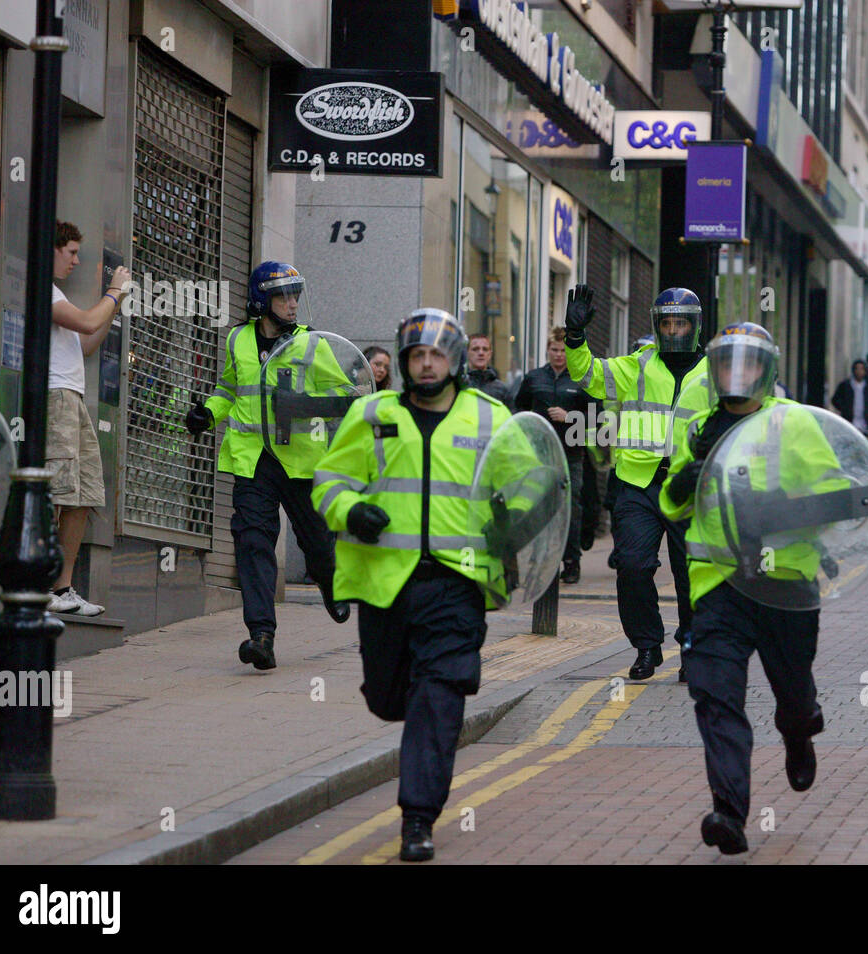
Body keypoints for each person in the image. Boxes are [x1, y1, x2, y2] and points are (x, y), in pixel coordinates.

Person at [312, 308, 525, 863]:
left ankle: (418, 817)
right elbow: (328, 481)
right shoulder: (371, 414)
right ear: (405, 363)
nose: (426, 364)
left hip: (456, 589)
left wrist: (511, 524)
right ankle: (413, 737)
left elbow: (530, 485)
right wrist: (352, 510)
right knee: (388, 698)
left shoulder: (490, 417)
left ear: (452, 360)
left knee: (438, 697)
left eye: (435, 355)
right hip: (385, 586)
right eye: (416, 356)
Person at [660, 322, 834, 855]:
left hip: (785, 584)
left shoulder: (795, 424)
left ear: (767, 370)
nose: (738, 374)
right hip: (719, 587)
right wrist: (685, 482)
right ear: (715, 371)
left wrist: (789, 505)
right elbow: (672, 501)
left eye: (749, 363)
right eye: (728, 364)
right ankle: (729, 811)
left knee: (794, 691)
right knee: (715, 695)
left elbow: (835, 491)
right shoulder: (703, 429)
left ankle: (799, 729)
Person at [186, 261, 351, 671]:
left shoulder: (313, 345)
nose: (292, 304)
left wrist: (302, 407)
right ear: (263, 301)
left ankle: (331, 582)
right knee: (253, 542)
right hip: (253, 460)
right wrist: (208, 413)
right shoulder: (237, 339)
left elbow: (345, 396)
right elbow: (229, 388)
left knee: (317, 542)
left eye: (295, 295)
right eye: (283, 296)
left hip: (301, 461)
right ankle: (261, 635)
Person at [566, 285, 710, 681]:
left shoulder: (714, 373)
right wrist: (575, 338)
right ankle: (647, 646)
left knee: (692, 574)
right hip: (638, 483)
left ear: (694, 326)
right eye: (666, 323)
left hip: (691, 489)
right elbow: (588, 375)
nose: (673, 330)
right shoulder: (639, 365)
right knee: (631, 566)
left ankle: (692, 648)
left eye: (681, 323)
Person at [47, 222, 132, 616]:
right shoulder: (42, 290)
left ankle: (62, 587)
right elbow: (83, 322)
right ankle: (39, 583)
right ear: (52, 249)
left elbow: (84, 341)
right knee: (56, 489)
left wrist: (111, 310)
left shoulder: (59, 294)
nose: (76, 261)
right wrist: (113, 293)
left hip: (73, 397)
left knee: (82, 494)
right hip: (55, 398)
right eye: (71, 253)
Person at [516, 327, 592, 583]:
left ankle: (571, 561)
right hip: (540, 455)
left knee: (570, 507)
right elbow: (519, 409)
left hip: (571, 455)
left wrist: (570, 417)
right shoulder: (534, 378)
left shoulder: (582, 380)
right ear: (547, 350)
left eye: (563, 351)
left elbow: (599, 420)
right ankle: (540, 560)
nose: (559, 355)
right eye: (555, 350)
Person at [831, 360, 868, 440]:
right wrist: (844, 409)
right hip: (849, 420)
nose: (859, 372)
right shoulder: (846, 385)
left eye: (862, 369)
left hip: (864, 421)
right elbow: (835, 400)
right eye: (857, 369)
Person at [466, 333, 511, 403]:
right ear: (467, 353)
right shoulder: (459, 386)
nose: (481, 353)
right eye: (475, 349)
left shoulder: (502, 390)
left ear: (490, 354)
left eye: (485, 349)